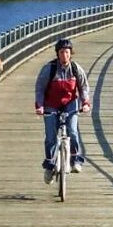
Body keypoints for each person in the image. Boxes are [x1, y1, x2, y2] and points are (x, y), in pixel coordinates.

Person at [35, 39, 91, 183]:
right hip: (51, 104)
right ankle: (49, 165)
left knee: (72, 131)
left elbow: (83, 87)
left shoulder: (75, 68)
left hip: (70, 103)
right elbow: (40, 88)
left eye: (67, 52)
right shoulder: (49, 69)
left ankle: (75, 160)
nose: (64, 55)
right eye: (61, 52)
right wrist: (39, 106)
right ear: (57, 54)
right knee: (50, 136)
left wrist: (85, 103)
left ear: (71, 54)